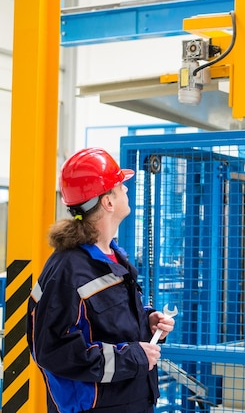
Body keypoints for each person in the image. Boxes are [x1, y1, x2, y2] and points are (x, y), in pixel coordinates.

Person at [27, 147, 175, 413]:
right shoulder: (68, 271)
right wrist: (132, 358)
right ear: (107, 202)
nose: (126, 190)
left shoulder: (114, 256)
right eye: (120, 186)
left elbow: (107, 323)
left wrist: (148, 322)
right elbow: (53, 349)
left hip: (132, 399)